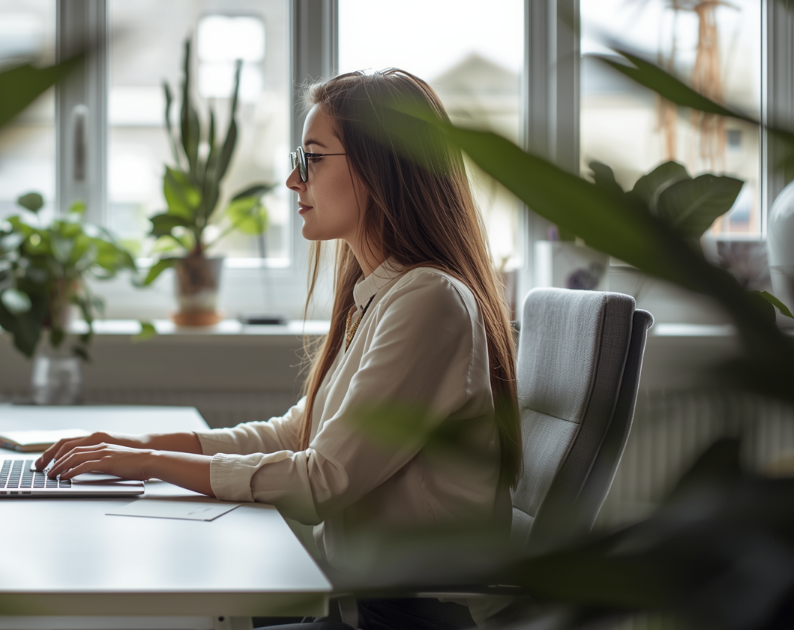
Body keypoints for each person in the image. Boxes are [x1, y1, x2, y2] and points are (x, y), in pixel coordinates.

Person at [35, 69, 522, 629]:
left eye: (312, 159)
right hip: (362, 605)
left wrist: (149, 464)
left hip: (410, 618)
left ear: (380, 169)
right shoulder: (383, 297)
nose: (294, 180)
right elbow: (297, 434)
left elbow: (320, 480)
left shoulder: (430, 302)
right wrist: (132, 446)